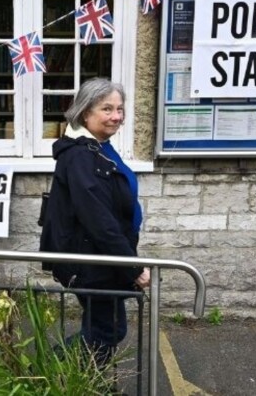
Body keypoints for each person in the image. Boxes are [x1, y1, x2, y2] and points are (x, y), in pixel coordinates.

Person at [39, 77, 150, 366]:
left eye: (120, 109)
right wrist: (133, 266)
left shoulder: (99, 147)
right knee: (107, 329)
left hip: (101, 258)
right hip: (91, 260)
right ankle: (46, 372)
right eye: (107, 109)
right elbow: (97, 218)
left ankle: (80, 382)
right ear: (85, 112)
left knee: (103, 328)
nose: (116, 116)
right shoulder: (80, 155)